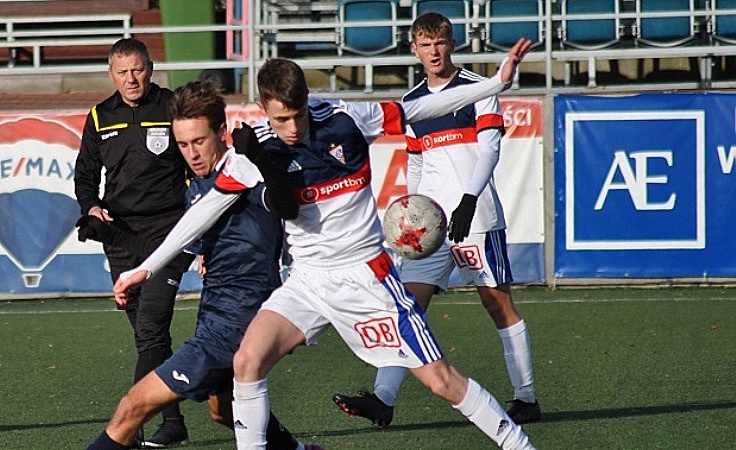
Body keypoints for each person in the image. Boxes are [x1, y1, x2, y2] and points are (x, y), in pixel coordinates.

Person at [115, 37, 535, 450]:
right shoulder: (255, 147)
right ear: (264, 110)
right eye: (281, 120)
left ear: (307, 99)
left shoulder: (346, 119)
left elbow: (416, 109)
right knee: (247, 361)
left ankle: (517, 444)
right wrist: (146, 268)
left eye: (297, 115)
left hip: (367, 276)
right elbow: (204, 211)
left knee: (442, 381)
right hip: (308, 281)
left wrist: (496, 83)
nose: (293, 128)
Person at [83, 80, 321, 450]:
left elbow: (283, 203)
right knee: (223, 410)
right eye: (182, 144)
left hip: (238, 320)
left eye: (199, 141)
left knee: (132, 407)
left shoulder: (246, 174)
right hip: (215, 316)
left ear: (222, 132)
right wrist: (113, 237)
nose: (191, 153)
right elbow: (177, 244)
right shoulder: (197, 187)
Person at [332, 12, 541, 428]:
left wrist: (467, 200)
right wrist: (412, 208)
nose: (433, 51)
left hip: (475, 217)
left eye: (440, 42)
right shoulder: (414, 104)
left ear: (452, 43)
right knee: (406, 307)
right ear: (414, 49)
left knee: (497, 304)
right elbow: (416, 163)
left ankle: (526, 398)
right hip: (430, 227)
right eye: (424, 44)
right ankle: (383, 398)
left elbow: (490, 150)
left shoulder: (478, 89)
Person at [74, 37, 193, 447]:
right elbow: (85, 177)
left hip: (169, 233)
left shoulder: (174, 106)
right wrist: (91, 208)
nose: (131, 79)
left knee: (150, 327)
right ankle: (173, 421)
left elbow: (198, 168)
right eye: (122, 72)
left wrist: (204, 235)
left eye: (137, 69)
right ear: (111, 75)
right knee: (149, 335)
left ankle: (130, 427)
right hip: (121, 237)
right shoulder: (99, 115)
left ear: (150, 68)